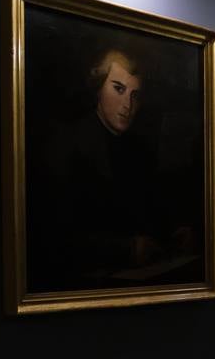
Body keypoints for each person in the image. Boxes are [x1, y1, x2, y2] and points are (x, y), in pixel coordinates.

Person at [29, 47, 198, 291]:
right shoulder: (67, 144)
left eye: (135, 95)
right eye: (118, 89)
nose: (127, 104)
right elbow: (54, 234)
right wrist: (126, 249)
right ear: (98, 88)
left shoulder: (138, 150)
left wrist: (173, 232)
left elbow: (147, 209)